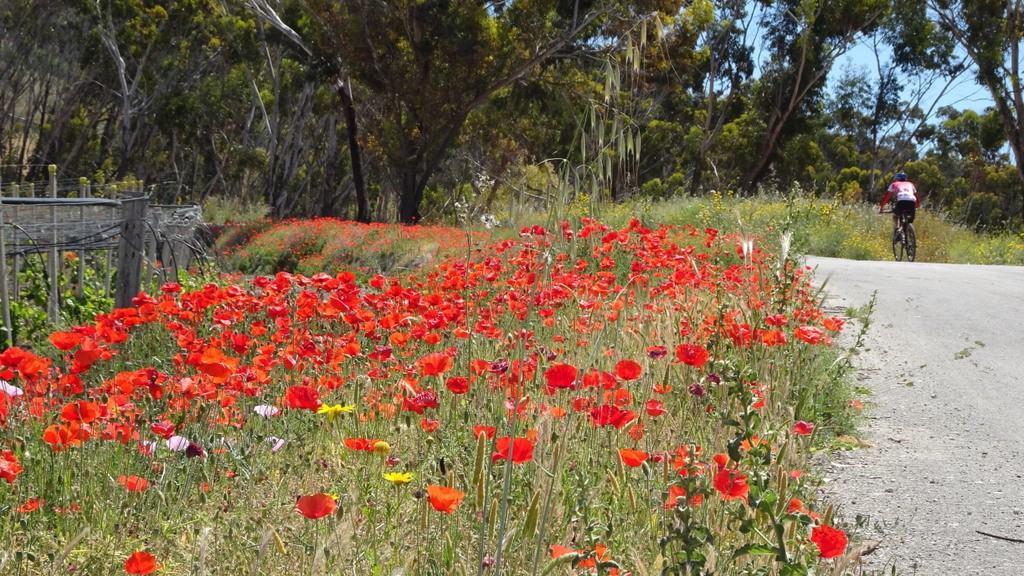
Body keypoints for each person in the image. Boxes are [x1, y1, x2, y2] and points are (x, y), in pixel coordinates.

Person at [879, 171, 919, 240]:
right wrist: (915, 206)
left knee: (895, 216)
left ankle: (898, 230)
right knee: (909, 221)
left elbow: (886, 197)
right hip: (912, 202)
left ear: (896, 179)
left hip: (901, 201)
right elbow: (917, 200)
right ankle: (910, 240)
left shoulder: (894, 184)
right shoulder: (911, 184)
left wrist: (881, 208)